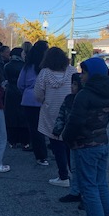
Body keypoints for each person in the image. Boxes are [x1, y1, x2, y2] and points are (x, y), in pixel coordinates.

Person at [62, 57, 109, 216]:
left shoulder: (84, 96)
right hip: (102, 143)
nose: (81, 76)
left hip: (86, 146)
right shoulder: (108, 92)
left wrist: (67, 139)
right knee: (101, 185)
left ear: (92, 74)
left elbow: (75, 122)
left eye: (84, 72)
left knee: (90, 189)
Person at [34, 47, 77, 187]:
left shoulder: (44, 73)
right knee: (70, 144)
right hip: (70, 111)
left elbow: (38, 95)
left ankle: (63, 175)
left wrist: (45, 100)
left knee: (56, 143)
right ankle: (74, 175)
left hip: (51, 111)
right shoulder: (72, 71)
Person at [17, 40, 49, 166]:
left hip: (29, 100)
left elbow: (20, 83)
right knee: (46, 127)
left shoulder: (27, 66)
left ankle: (41, 156)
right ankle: (48, 150)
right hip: (45, 100)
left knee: (34, 129)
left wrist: (26, 92)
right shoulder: (47, 67)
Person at [53, 73, 83, 203]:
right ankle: (75, 191)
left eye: (75, 84)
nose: (72, 87)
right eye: (72, 84)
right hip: (70, 139)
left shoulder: (84, 99)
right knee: (74, 166)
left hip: (82, 139)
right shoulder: (69, 99)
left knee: (84, 169)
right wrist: (57, 131)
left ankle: (85, 196)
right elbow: (61, 116)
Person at [3, 47, 29, 149]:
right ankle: (24, 141)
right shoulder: (24, 66)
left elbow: (5, 78)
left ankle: (12, 140)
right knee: (23, 117)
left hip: (10, 92)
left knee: (11, 116)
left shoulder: (7, 66)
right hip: (21, 92)